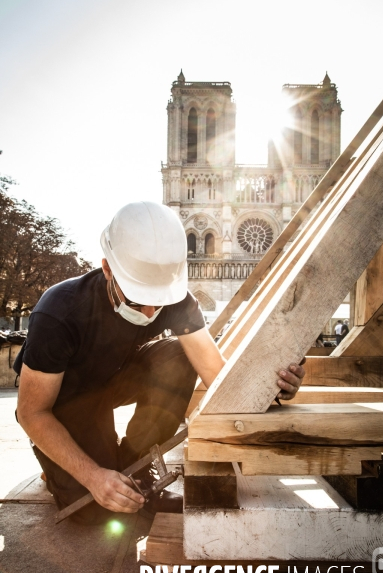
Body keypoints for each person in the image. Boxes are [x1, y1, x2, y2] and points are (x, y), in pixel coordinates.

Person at [15, 202, 305, 524]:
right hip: (70, 394)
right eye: (138, 300)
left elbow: (216, 375)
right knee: (94, 510)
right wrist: (94, 476)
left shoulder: (177, 298)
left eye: (160, 300)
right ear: (108, 269)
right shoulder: (59, 313)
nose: (151, 313)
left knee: (182, 356)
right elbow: (32, 411)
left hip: (117, 377)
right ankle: (54, 460)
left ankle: (137, 461)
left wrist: (273, 389)